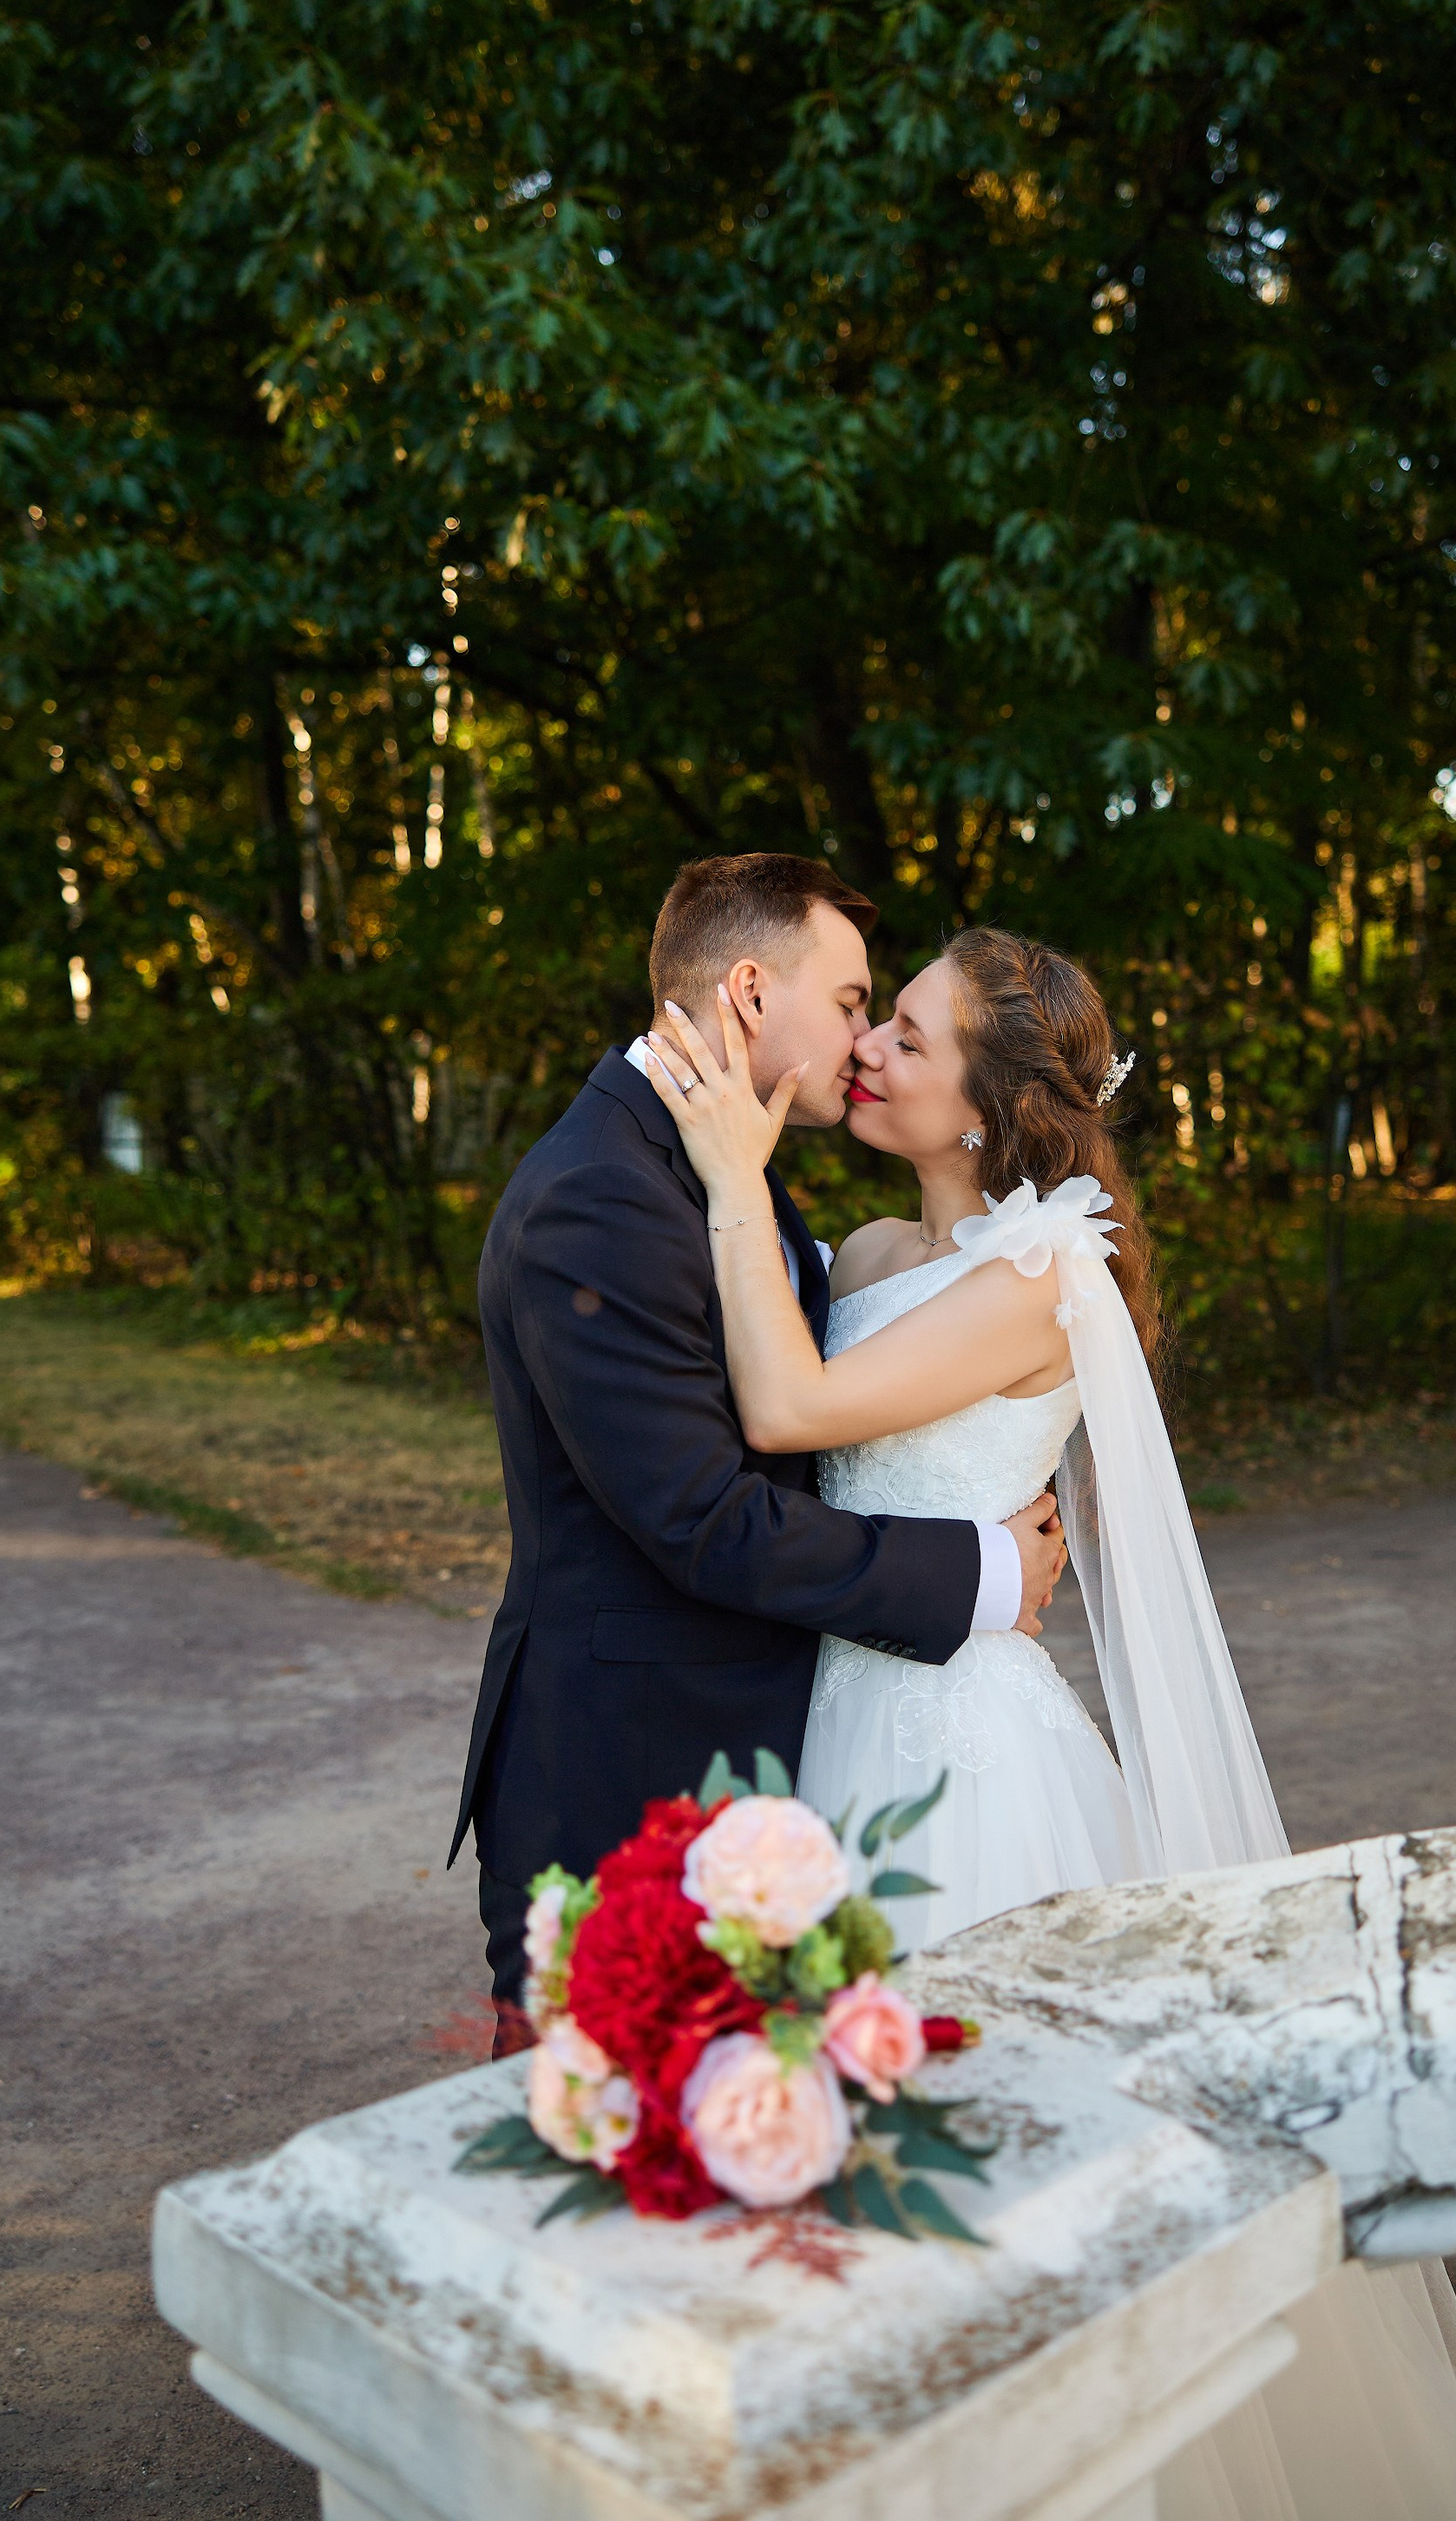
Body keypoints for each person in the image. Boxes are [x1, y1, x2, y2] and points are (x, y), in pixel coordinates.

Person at [636, 921, 1456, 2521]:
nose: (867, 1050)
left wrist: (734, 1173)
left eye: (905, 1033)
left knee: (993, 2154)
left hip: (966, 1749)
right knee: (834, 2145)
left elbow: (792, 1412)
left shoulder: (1043, 1272)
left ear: (984, 1105)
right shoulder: (876, 1251)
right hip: (833, 1717)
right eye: (871, 1020)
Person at [450, 856, 1068, 2043]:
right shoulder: (605, 1201)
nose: (862, 1039)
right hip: (628, 1783)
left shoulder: (726, 1171)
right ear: (748, 991)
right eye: (849, 1004)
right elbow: (706, 1519)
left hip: (783, 1759)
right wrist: (982, 1570)